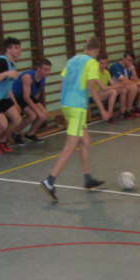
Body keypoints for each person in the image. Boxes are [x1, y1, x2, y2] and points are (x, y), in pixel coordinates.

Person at [40, 36, 109, 202]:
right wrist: (102, 109)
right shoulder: (91, 63)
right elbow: (92, 88)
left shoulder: (72, 60)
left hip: (66, 105)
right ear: (96, 50)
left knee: (85, 140)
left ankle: (87, 178)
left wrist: (66, 102)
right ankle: (50, 180)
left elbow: (62, 84)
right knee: (71, 145)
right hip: (77, 107)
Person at [12, 58, 51, 142]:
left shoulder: (43, 77)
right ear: (38, 69)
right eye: (45, 69)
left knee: (44, 114)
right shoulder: (28, 77)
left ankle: (30, 134)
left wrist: (38, 108)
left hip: (28, 96)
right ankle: (15, 133)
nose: (48, 72)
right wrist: (37, 110)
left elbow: (37, 94)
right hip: (17, 96)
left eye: (49, 70)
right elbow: (26, 97)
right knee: (32, 115)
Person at [109, 51, 140, 118]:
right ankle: (128, 110)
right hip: (117, 87)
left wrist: (133, 70)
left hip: (127, 86)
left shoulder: (129, 67)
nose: (130, 62)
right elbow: (124, 80)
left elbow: (135, 79)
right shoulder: (115, 66)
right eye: (129, 60)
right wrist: (137, 82)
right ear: (123, 59)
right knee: (134, 87)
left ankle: (137, 107)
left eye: (132, 61)